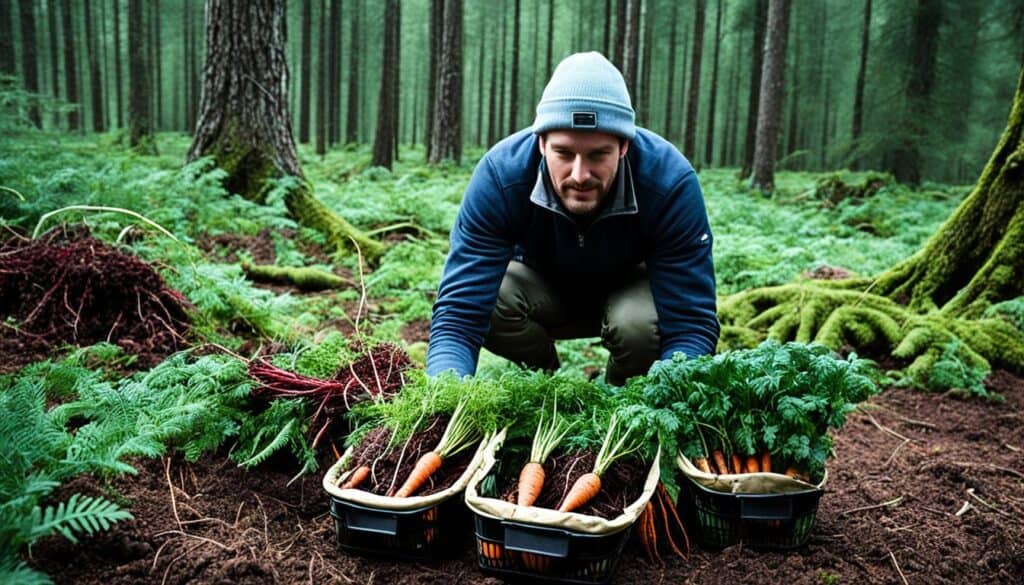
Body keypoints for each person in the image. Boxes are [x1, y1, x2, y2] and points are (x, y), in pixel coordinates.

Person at [426, 52, 719, 385]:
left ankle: (621, 398)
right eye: (564, 153)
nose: (580, 174)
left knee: (638, 324)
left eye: (598, 154)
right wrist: (443, 398)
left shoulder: (669, 182)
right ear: (541, 143)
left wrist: (663, 405)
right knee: (491, 299)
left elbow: (690, 326)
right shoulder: (501, 175)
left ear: (624, 146)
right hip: (540, 290)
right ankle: (543, 384)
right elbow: (459, 315)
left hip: (630, 298)